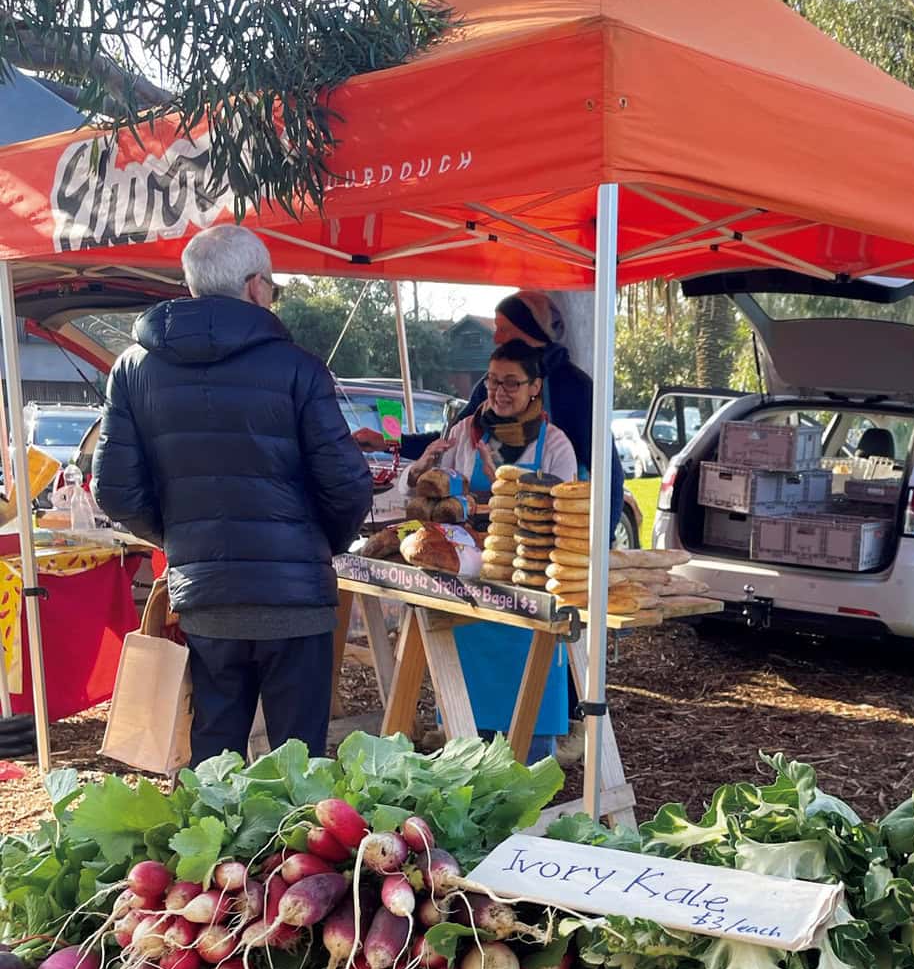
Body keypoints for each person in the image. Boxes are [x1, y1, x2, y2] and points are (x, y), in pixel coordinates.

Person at [93, 224, 373, 766]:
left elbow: (115, 490)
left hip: (206, 598)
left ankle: (212, 853)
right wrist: (318, 543)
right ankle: (283, 853)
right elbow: (348, 484)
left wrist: (182, 536)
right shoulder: (298, 368)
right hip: (295, 598)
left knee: (213, 764)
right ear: (254, 286)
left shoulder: (132, 369)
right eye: (271, 283)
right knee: (301, 772)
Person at [358, 288, 624, 534]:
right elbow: (442, 448)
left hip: (539, 543)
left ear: (534, 386)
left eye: (503, 329)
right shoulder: (476, 412)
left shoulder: (573, 394)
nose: (495, 337)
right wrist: (389, 442)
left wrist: (604, 537)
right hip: (475, 548)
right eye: (494, 382)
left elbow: (606, 472)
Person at [412, 338, 578, 490]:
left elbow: (562, 510)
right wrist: (416, 473)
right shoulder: (463, 431)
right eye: (493, 381)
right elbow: (433, 495)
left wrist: (501, 487)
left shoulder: (556, 446)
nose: (499, 392)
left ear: (535, 386)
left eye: (511, 383)